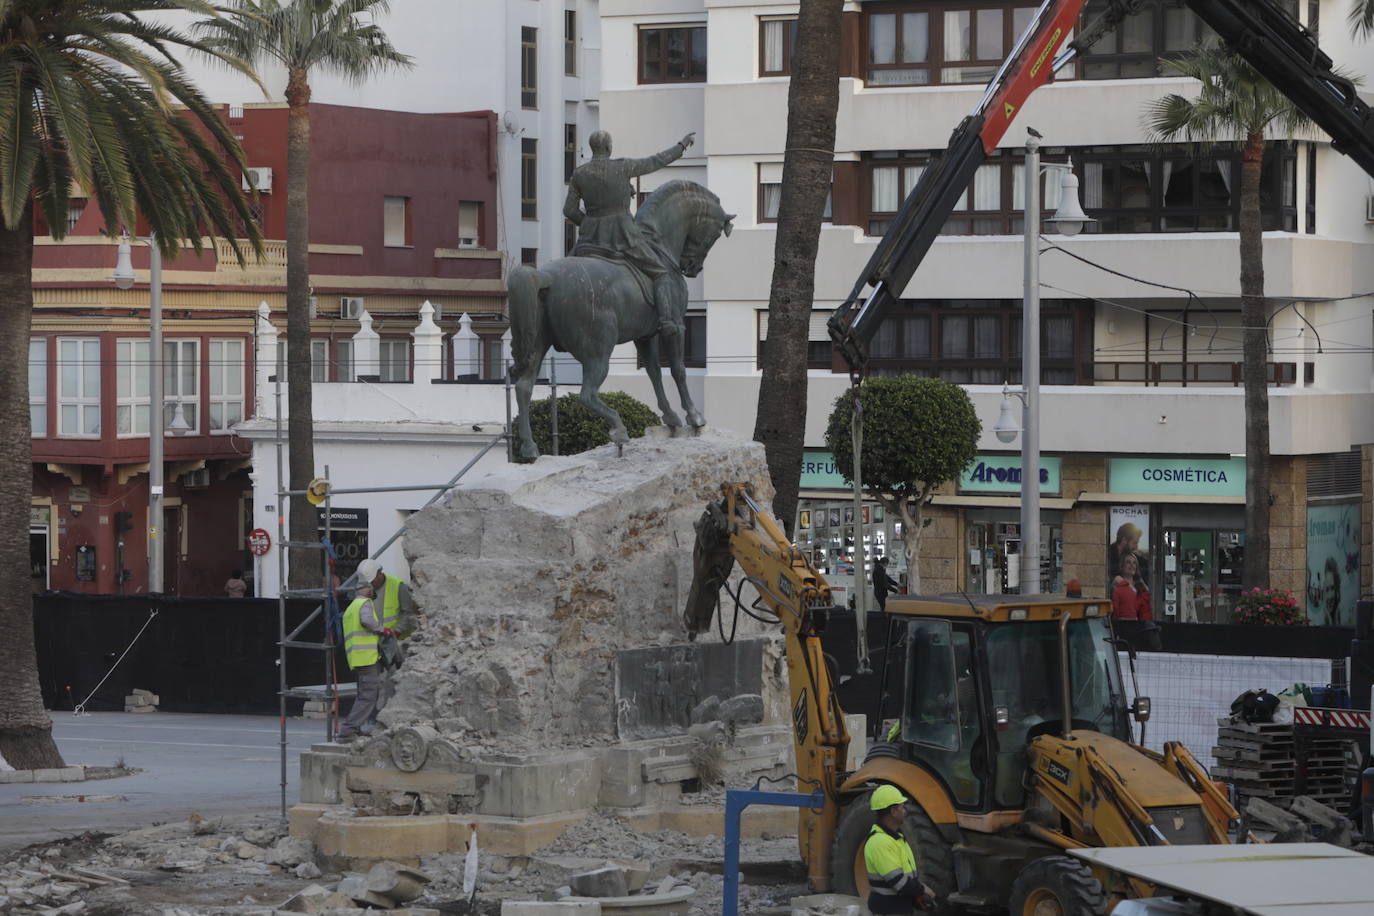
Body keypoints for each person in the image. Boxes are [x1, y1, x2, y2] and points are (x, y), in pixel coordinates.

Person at [563, 129, 696, 336]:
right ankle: (666, 320)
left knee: (564, 273)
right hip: (624, 236)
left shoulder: (580, 174)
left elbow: (568, 210)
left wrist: (589, 222)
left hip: (589, 239)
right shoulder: (622, 167)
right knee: (660, 272)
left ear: (592, 148)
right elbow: (656, 161)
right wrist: (681, 147)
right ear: (609, 147)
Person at [864, 785, 936, 914]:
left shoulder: (896, 838)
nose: (905, 811)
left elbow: (905, 878)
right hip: (888, 910)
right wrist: (922, 889)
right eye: (902, 807)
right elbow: (898, 881)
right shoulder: (880, 842)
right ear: (893, 811)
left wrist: (915, 899)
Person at [337, 584, 390, 741]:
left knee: (363, 695)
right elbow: (367, 620)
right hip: (367, 658)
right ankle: (347, 732)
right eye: (372, 589)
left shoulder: (352, 606)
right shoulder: (364, 603)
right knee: (368, 696)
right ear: (368, 591)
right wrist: (382, 629)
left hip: (357, 658)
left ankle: (356, 729)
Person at [1111, 553, 1152, 621]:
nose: (1132, 565)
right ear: (1122, 566)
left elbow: (1145, 613)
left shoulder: (1141, 586)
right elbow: (1115, 612)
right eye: (1128, 562)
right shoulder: (1116, 585)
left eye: (1134, 563)